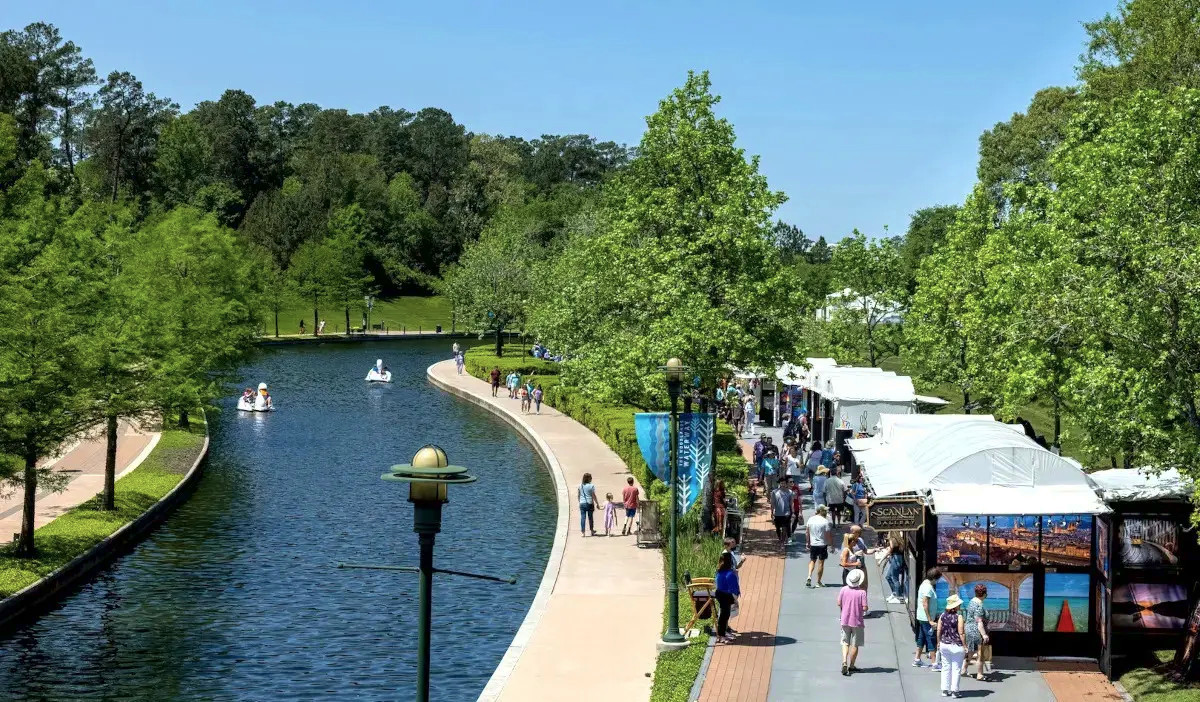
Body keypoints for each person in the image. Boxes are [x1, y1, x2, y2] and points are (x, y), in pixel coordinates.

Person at [837, 568, 869, 676]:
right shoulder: (862, 592)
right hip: (857, 621)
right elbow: (864, 607)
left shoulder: (843, 590)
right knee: (855, 644)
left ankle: (844, 661)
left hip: (844, 619)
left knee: (845, 642)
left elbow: (839, 603)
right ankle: (851, 666)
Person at [937, 593, 967, 697]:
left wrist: (938, 642)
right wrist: (965, 646)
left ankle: (945, 690)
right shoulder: (959, 617)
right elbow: (961, 633)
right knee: (956, 668)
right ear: (956, 606)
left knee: (945, 667)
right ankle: (955, 691)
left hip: (944, 644)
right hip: (956, 645)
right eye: (959, 604)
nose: (960, 606)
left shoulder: (942, 616)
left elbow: (939, 630)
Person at [913, 567, 942, 668]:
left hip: (922, 617)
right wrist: (930, 620)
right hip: (926, 619)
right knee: (931, 639)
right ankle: (934, 663)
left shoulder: (924, 584)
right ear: (934, 578)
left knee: (921, 638)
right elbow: (925, 603)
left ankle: (917, 659)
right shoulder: (928, 588)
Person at [964, 584, 992, 681]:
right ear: (985, 594)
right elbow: (979, 622)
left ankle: (963, 669)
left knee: (971, 651)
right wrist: (984, 635)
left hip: (969, 629)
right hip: (976, 631)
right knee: (981, 653)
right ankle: (980, 674)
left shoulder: (971, 602)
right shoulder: (979, 605)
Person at [714, 551, 740, 643]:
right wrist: (735, 598)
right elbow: (734, 588)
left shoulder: (719, 572)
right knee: (724, 616)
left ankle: (722, 634)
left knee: (723, 615)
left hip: (719, 594)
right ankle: (721, 636)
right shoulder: (730, 574)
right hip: (727, 596)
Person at [804, 505, 831, 587]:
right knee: (821, 563)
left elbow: (807, 532)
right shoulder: (825, 521)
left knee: (812, 560)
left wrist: (807, 542)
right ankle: (818, 582)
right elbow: (828, 534)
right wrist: (830, 544)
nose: (826, 512)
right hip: (822, 544)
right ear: (821, 511)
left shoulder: (810, 519)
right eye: (825, 510)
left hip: (813, 544)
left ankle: (809, 575)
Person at [881, 532, 908, 603]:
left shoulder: (892, 539)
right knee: (888, 577)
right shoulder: (899, 539)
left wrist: (881, 560)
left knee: (894, 578)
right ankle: (895, 593)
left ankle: (899, 597)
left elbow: (891, 548)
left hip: (896, 559)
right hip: (897, 558)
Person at [770, 478, 793, 549]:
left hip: (786, 513)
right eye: (781, 483)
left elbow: (791, 503)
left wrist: (793, 513)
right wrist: (772, 512)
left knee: (784, 528)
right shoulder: (774, 492)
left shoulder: (790, 492)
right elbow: (772, 503)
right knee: (777, 528)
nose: (783, 485)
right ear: (779, 484)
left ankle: (782, 542)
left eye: (784, 483)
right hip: (777, 513)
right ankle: (780, 539)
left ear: (786, 484)